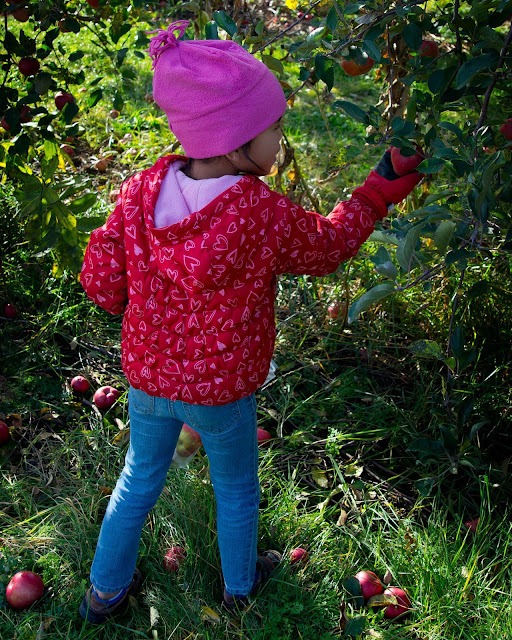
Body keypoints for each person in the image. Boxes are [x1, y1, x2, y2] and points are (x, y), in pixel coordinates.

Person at [78, 20, 422, 625]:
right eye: (275, 128)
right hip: (222, 389)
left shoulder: (139, 192)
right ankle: (239, 591)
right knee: (235, 486)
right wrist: (374, 194)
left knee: (138, 480)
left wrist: (135, 292)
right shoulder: (256, 211)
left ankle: (103, 594)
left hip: (149, 378)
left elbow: (104, 285)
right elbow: (327, 246)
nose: (281, 139)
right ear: (236, 143)